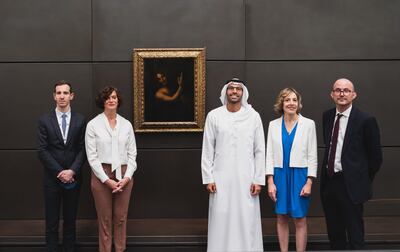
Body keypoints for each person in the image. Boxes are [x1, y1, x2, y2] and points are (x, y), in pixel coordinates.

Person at [201, 78, 265, 252]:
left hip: (247, 178)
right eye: (231, 89)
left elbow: (259, 150)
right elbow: (208, 149)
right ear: (225, 92)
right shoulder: (214, 115)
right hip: (220, 178)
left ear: (243, 92)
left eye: (238, 89)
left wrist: (258, 179)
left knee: (246, 218)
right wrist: (208, 178)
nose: (234, 92)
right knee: (221, 218)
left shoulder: (253, 116)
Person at [320, 78, 383, 250]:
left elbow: (376, 158)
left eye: (346, 90)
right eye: (338, 90)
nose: (342, 93)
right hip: (330, 183)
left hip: (351, 185)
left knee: (355, 235)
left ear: (354, 95)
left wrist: (360, 178)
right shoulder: (327, 116)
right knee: (335, 234)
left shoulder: (366, 120)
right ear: (332, 94)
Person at [85, 86, 137, 252]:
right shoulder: (93, 125)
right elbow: (92, 157)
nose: (111, 100)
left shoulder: (126, 125)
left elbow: (132, 155)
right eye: (107, 97)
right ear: (103, 101)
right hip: (102, 175)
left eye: (114, 97)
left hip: (124, 175)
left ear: (118, 100)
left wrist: (127, 178)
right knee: (105, 220)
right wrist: (107, 181)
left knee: (121, 218)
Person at [266, 87, 318, 252]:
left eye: (294, 100)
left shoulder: (308, 124)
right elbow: (270, 155)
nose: (291, 103)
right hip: (280, 175)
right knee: (281, 217)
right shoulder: (273, 125)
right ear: (281, 103)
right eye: (287, 100)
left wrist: (309, 182)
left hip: (299, 175)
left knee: (299, 219)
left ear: (299, 103)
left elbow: (312, 155)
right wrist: (270, 181)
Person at [38, 80, 86, 252]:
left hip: (74, 177)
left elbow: (83, 149)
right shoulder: (44, 120)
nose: (62, 96)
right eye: (58, 93)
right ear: (54, 96)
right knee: (51, 223)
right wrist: (60, 172)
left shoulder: (81, 120)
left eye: (65, 93)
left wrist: (72, 170)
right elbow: (42, 151)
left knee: (70, 222)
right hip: (52, 179)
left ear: (71, 96)